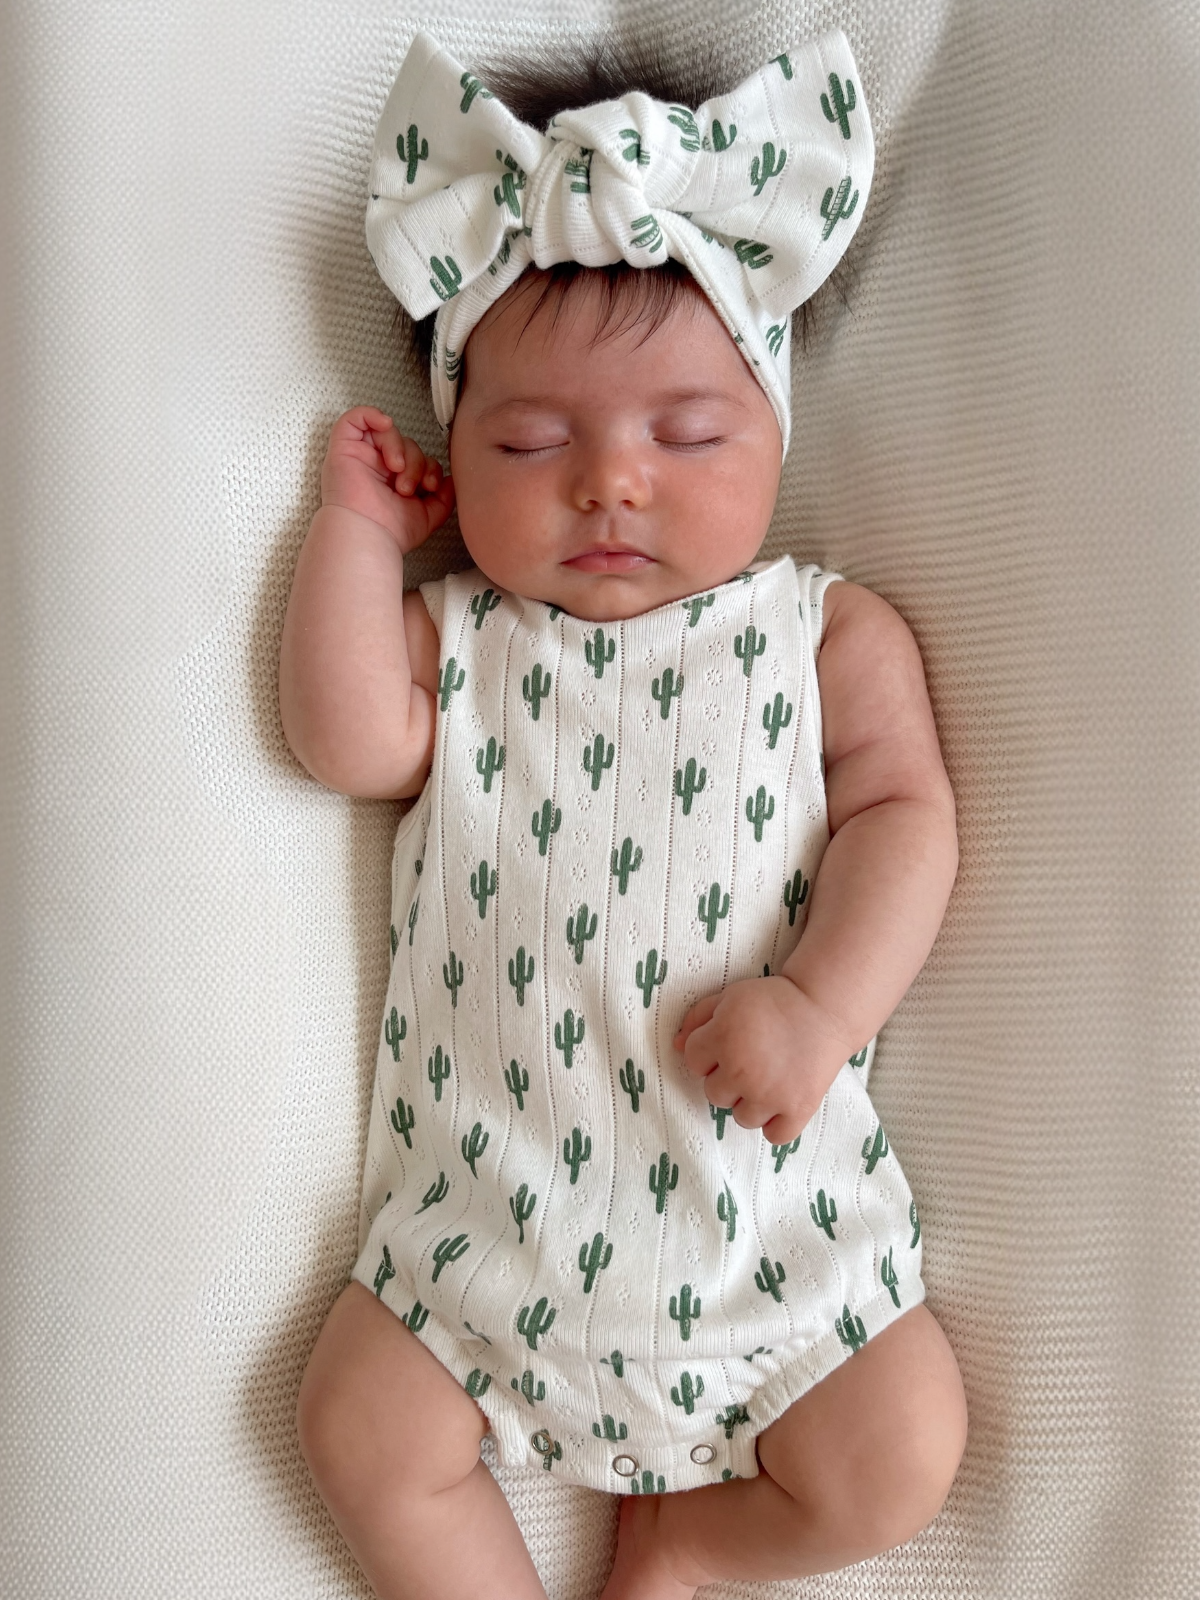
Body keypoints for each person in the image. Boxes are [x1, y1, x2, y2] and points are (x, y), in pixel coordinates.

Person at [281, 28, 966, 1600]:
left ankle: (693, 1557)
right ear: (458, 446)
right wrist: (353, 536)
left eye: (688, 434)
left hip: (773, 1238)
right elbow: (343, 739)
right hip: (483, 1237)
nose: (613, 485)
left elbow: (905, 821)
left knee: (903, 1451)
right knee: (360, 1433)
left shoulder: (822, 636)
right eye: (531, 442)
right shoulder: (462, 641)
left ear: (776, 430)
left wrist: (821, 1003)